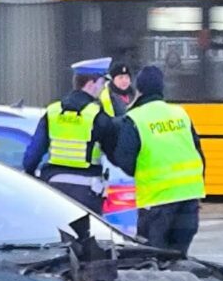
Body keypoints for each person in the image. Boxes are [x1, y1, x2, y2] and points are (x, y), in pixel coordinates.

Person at [113, 65, 206, 257]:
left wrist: (142, 172)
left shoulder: (135, 118)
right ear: (162, 88)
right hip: (189, 199)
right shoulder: (180, 113)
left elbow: (123, 159)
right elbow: (198, 152)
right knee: (179, 257)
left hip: (157, 202)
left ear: (139, 90)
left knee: (152, 258)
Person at [23, 57, 119, 213]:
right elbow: (115, 156)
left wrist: (32, 176)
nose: (103, 89)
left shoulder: (52, 112)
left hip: (54, 191)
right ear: (91, 84)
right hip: (87, 193)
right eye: (102, 83)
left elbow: (31, 159)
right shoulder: (98, 117)